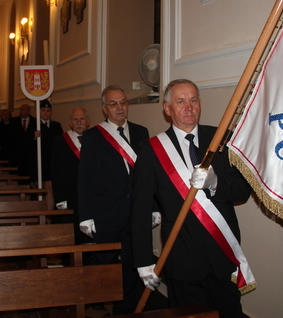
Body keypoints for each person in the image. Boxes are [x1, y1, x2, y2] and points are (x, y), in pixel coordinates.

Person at [131, 79, 252, 318]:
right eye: (181, 101)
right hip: (182, 260)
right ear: (167, 109)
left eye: (193, 100)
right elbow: (140, 209)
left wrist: (216, 183)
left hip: (222, 255)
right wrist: (144, 260)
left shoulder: (221, 139)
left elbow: (242, 191)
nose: (189, 107)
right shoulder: (151, 150)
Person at [77, 85, 150, 315]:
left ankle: (124, 308)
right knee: (105, 264)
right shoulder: (92, 137)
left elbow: (148, 175)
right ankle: (99, 301)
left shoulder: (141, 132)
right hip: (105, 213)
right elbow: (84, 179)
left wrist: (154, 207)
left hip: (135, 213)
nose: (120, 108)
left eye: (123, 102)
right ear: (104, 109)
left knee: (131, 263)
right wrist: (86, 215)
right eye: (113, 104)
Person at [51, 107, 90, 244]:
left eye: (82, 118)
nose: (79, 122)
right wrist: (60, 198)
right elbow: (56, 172)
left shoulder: (95, 139)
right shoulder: (60, 141)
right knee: (71, 235)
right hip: (70, 197)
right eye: (75, 119)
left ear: (88, 121)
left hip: (90, 197)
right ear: (70, 122)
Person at [34, 100, 63, 209]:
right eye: (43, 110)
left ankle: (48, 217)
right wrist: (34, 137)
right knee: (40, 190)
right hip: (39, 162)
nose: (45, 113)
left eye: (48, 110)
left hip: (51, 162)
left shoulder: (56, 126)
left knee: (49, 188)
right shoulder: (34, 125)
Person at [10, 104, 36, 184]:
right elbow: (11, 137)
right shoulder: (14, 121)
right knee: (20, 178)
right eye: (20, 109)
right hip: (18, 154)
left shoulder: (35, 121)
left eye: (23, 110)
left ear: (28, 111)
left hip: (31, 155)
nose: (20, 111)